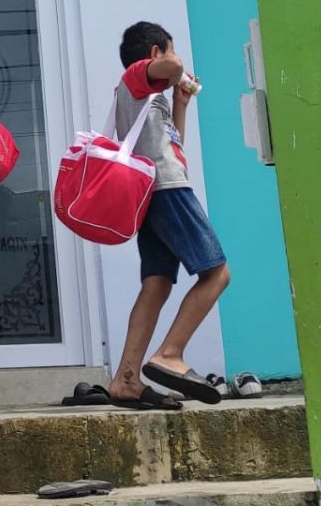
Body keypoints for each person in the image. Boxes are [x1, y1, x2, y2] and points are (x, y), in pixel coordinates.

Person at [106, 21, 231, 408]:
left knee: (157, 284)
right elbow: (172, 67)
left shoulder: (150, 94)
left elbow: (173, 142)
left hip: (155, 190)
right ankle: (170, 354)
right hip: (167, 189)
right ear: (156, 53)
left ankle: (126, 379)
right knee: (217, 273)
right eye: (169, 50)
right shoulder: (135, 77)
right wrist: (172, 63)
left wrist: (181, 103)